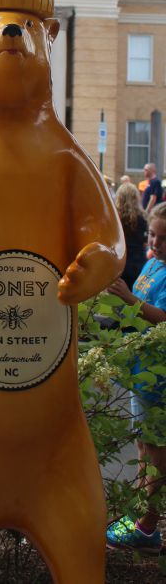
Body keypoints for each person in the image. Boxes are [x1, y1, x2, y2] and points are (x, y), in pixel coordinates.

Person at [106, 203, 166, 553]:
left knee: (157, 450)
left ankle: (147, 526)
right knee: (143, 445)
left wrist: (128, 298)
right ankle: (139, 516)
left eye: (163, 238)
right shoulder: (154, 264)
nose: (156, 242)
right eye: (153, 235)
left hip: (159, 381)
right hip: (141, 374)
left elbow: (160, 317)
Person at [115, 182, 148, 289]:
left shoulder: (116, 218)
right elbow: (144, 241)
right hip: (139, 263)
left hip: (120, 262)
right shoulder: (142, 218)